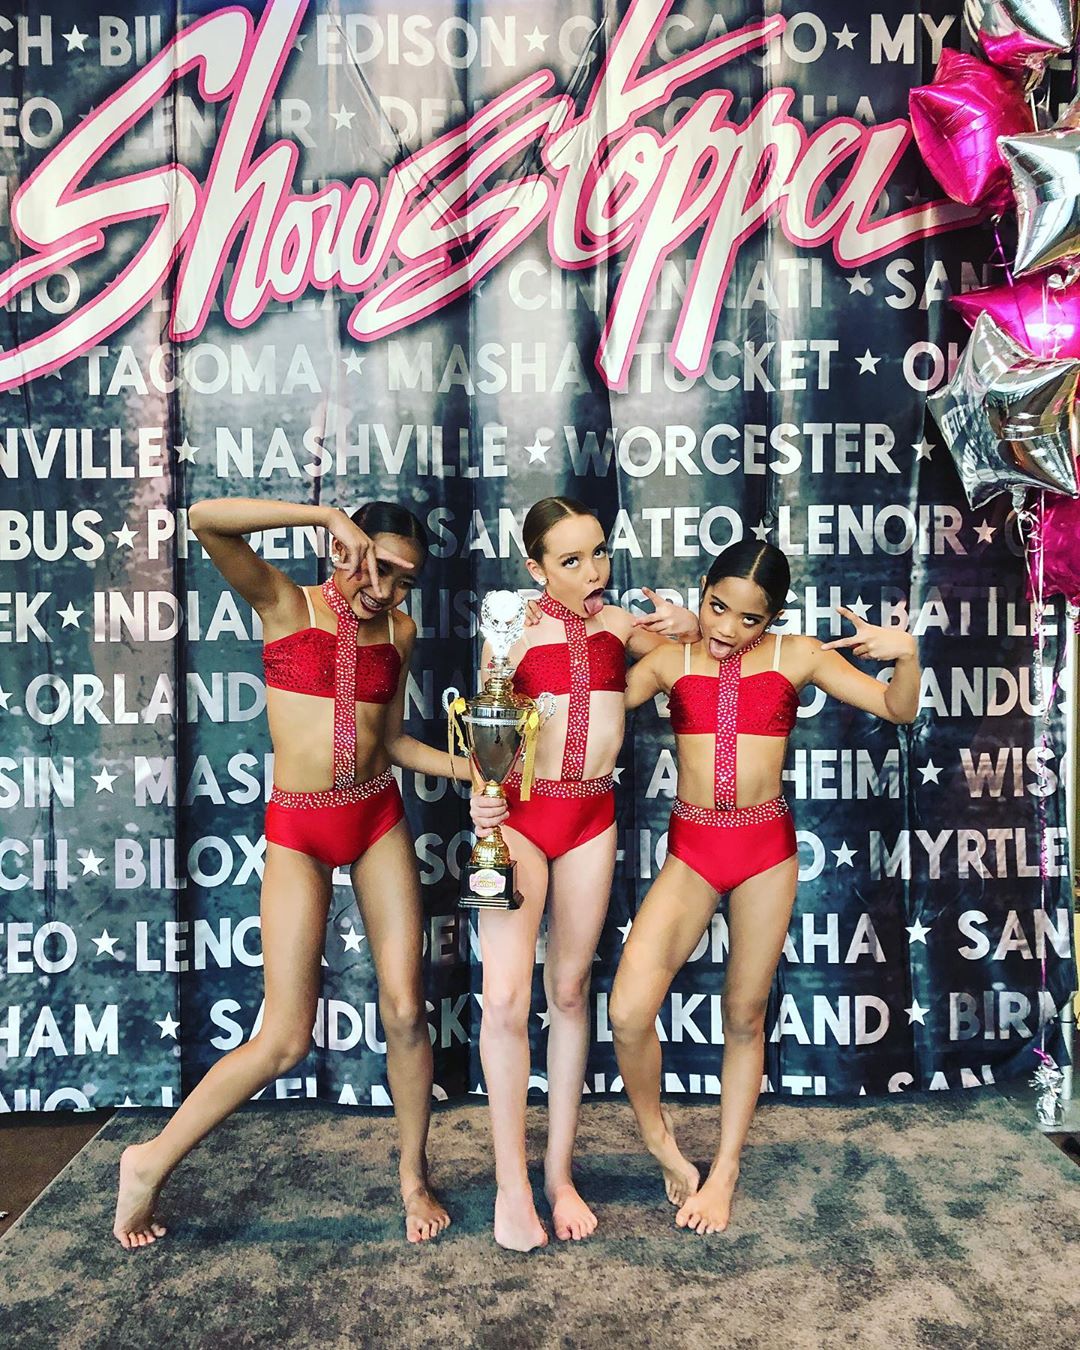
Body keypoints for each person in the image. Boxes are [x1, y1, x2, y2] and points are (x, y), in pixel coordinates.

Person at [113, 497, 471, 1249]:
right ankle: (147, 1162)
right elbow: (205, 520)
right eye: (378, 568)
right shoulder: (286, 603)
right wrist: (319, 514)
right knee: (284, 1038)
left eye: (405, 581)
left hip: (376, 818)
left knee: (406, 1009)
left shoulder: (399, 632)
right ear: (346, 550)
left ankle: (413, 1176)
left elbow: (394, 742)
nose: (387, 591)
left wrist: (472, 769)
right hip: (301, 830)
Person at [610, 540, 920, 1235]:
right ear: (701, 589)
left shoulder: (798, 655)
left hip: (764, 854)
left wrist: (906, 656)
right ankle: (661, 1143)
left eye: (749, 619)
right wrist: (618, 630)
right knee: (628, 1012)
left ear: (773, 618)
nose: (727, 628)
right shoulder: (669, 661)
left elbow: (897, 710)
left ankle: (724, 1172)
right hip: (692, 850)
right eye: (716, 607)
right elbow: (589, 710)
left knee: (745, 1016)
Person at [469, 496, 700, 1251]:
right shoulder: (511, 628)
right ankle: (511, 1185)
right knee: (506, 998)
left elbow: (697, 653)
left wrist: (687, 624)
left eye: (599, 552)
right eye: (571, 560)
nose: (593, 569)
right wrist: (481, 795)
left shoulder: (618, 625)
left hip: (590, 817)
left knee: (569, 992)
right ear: (536, 569)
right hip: (521, 817)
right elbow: (486, 730)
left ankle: (558, 1175)